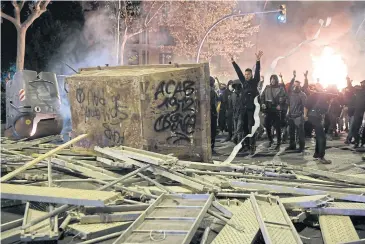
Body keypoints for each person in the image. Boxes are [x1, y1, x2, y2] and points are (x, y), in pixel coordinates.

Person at [231, 50, 263, 155]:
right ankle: (245, 146)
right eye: (245, 74)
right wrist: (233, 62)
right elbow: (238, 72)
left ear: (251, 75)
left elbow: (258, 72)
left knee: (251, 129)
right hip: (243, 110)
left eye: (248, 74)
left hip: (251, 110)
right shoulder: (243, 83)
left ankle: (252, 147)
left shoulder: (254, 82)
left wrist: (258, 61)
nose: (246, 76)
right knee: (243, 129)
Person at [304, 85, 332, 164]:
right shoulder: (314, 96)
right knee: (322, 137)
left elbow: (325, 111)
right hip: (314, 117)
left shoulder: (324, 97)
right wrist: (305, 116)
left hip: (315, 117)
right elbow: (306, 106)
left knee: (319, 136)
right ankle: (321, 156)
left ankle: (317, 154)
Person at [261, 74, 288, 150]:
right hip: (268, 109)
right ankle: (270, 140)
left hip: (276, 110)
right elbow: (262, 96)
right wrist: (263, 103)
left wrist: (280, 104)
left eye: (274, 79)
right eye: (271, 79)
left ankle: (278, 143)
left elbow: (284, 97)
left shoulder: (280, 88)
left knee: (277, 127)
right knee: (267, 125)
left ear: (276, 80)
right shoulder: (267, 87)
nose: (272, 80)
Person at [286, 74, 307, 153]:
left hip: (298, 116)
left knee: (300, 133)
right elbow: (289, 104)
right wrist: (288, 113)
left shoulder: (302, 95)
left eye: (297, 85)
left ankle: (301, 147)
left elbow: (305, 106)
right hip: (291, 116)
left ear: (300, 86)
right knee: (291, 132)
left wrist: (304, 115)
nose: (295, 86)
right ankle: (292, 145)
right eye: (294, 85)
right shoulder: (291, 94)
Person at [349, 80, 365, 148]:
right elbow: (351, 88)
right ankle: (357, 142)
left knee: (362, 129)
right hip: (358, 113)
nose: (362, 84)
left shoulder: (360, 92)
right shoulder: (359, 92)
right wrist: (348, 81)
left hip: (361, 113)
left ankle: (361, 143)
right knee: (356, 128)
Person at [229, 79, 243, 144]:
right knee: (236, 129)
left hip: (240, 114)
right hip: (235, 114)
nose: (237, 87)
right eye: (236, 86)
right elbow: (230, 105)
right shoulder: (232, 95)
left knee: (239, 130)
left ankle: (238, 142)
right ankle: (237, 142)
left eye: (238, 86)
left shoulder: (242, 94)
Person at [210, 76, 218, 152]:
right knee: (212, 131)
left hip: (207, 114)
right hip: (212, 114)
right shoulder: (212, 91)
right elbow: (213, 103)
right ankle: (211, 148)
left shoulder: (204, 90)